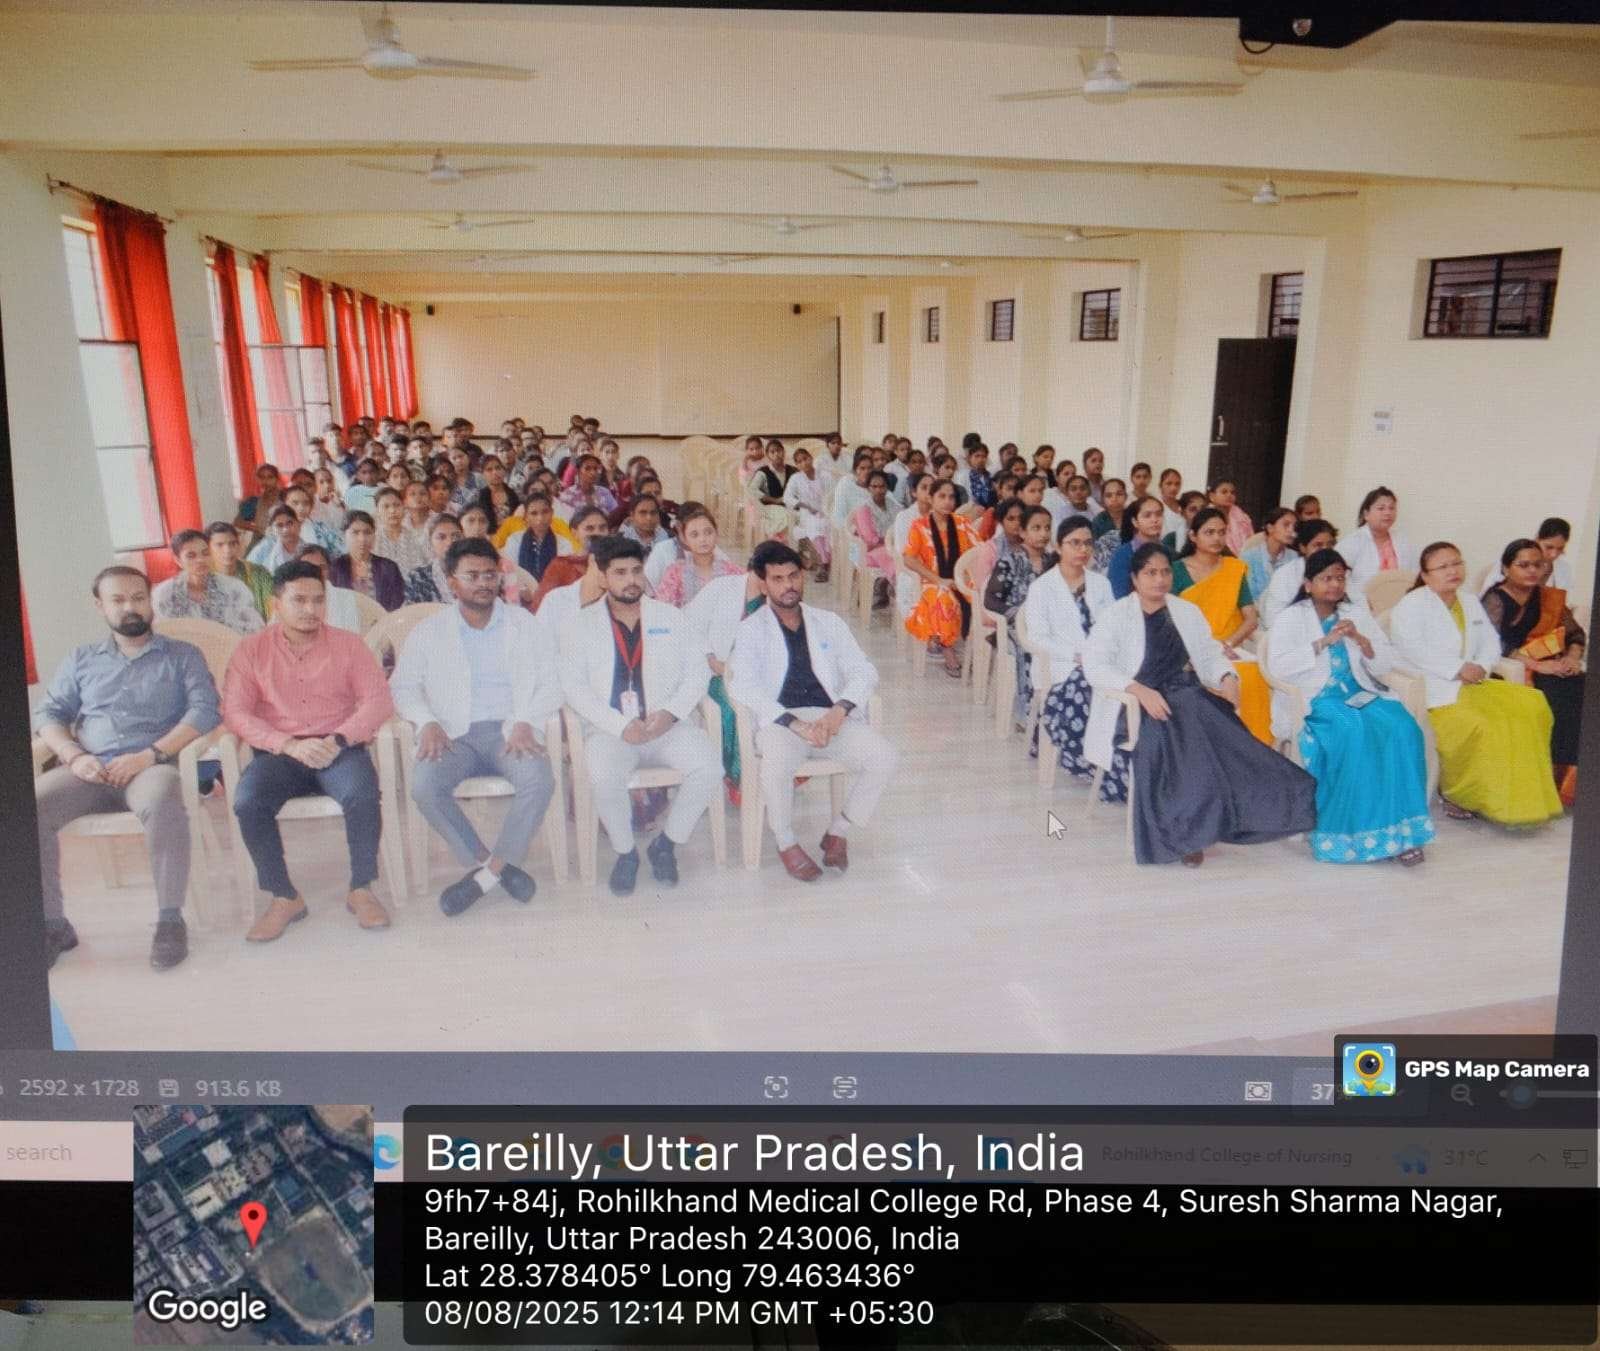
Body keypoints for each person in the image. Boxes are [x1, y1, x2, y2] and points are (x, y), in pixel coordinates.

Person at [1083, 544, 1319, 866]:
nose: (1160, 579)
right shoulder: (1117, 615)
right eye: (1150, 573)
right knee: (1175, 741)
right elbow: (1095, 665)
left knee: (1227, 737)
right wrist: (1139, 690)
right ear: (1135, 579)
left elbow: (1209, 654)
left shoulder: (1185, 611)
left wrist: (1227, 676)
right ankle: (1186, 835)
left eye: (1165, 572)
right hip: (1134, 705)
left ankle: (1237, 815)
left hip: (1185, 693)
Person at [34, 566, 221, 970]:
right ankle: (53, 924)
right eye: (117, 600)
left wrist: (150, 754)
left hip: (151, 766)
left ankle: (170, 920)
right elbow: (49, 713)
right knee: (30, 806)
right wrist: (73, 755)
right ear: (99, 606)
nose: (130, 607)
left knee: (161, 797)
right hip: (90, 769)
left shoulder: (182, 655)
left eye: (138, 598)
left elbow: (205, 710)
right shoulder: (82, 659)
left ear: (150, 600)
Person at [222, 560, 396, 940]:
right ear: (275, 604)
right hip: (280, 752)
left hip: (339, 747)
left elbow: (378, 701)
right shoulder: (251, 651)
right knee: (248, 801)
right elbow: (235, 711)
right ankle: (284, 896)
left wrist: (338, 740)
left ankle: (361, 888)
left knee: (363, 793)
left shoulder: (349, 645)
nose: (310, 609)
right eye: (299, 600)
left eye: (318, 600)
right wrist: (287, 744)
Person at [393, 539, 561, 916]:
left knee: (539, 780)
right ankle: (491, 864)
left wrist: (526, 721)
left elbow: (552, 682)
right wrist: (426, 721)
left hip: (510, 731)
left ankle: (487, 876)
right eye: (472, 576)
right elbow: (403, 687)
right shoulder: (429, 631)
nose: (483, 583)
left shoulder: (525, 624)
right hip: (454, 734)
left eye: (489, 575)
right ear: (452, 581)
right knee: (425, 787)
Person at [558, 536, 722, 896]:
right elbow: (573, 687)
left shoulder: (670, 617)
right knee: (603, 775)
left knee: (710, 768)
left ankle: (666, 843)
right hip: (610, 730)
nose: (631, 580)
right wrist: (619, 725)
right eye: (620, 573)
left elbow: (697, 672)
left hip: (664, 725)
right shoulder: (580, 625)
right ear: (603, 576)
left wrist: (671, 713)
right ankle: (625, 852)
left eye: (636, 571)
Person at [728, 542, 896, 880]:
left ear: (802, 576)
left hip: (829, 717)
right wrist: (795, 724)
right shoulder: (751, 629)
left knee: (885, 757)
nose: (788, 585)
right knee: (775, 765)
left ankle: (839, 831)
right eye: (777, 579)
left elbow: (863, 670)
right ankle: (786, 841)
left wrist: (839, 711)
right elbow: (744, 686)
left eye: (793, 576)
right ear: (763, 584)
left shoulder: (828, 622)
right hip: (782, 722)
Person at [1267, 549, 1434, 865]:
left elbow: (1384, 662)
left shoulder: (1355, 613)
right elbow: (1279, 666)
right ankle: (1351, 836)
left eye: (1339, 578)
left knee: (1403, 729)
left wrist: (1361, 640)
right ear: (1308, 584)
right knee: (1353, 732)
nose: (1334, 585)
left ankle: (1403, 834)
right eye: (1326, 578)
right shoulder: (1292, 617)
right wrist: (1323, 642)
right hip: (1318, 698)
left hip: (1359, 691)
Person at [1389, 541, 1563, 827]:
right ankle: (1462, 795)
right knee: (1480, 724)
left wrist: (1482, 665)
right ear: (1426, 575)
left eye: (1457, 563)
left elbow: (1491, 642)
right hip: (1437, 688)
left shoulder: (1469, 600)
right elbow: (1411, 649)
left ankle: (1522, 800)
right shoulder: (1412, 605)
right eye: (1443, 567)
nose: (1452, 571)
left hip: (1475, 682)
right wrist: (1457, 669)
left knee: (1532, 705)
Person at [1481, 537, 1586, 806]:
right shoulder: (1495, 598)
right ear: (1506, 568)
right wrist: (1538, 665)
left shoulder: (1547, 597)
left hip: (1552, 666)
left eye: (1537, 565)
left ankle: (1567, 782)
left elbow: (1575, 633)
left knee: (1583, 686)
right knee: (1554, 695)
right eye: (1523, 565)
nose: (1532, 571)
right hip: (1511, 671)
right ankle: (1543, 781)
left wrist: (1572, 658)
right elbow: (1492, 644)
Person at [1026, 516, 1121, 794]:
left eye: (1088, 543)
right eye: (1075, 543)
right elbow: (1038, 638)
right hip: (1060, 664)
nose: (1083, 549)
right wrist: (1077, 655)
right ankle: (1086, 758)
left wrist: (1102, 653)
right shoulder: (1042, 587)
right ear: (1058, 547)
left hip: (1100, 660)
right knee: (1087, 682)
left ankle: (1114, 755)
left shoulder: (1100, 584)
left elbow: (1112, 627)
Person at [1171, 507, 1271, 743]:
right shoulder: (1176, 570)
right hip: (1189, 649)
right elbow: (1170, 619)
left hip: (1228, 646)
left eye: (1222, 532)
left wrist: (1228, 643)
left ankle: (1250, 747)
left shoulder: (1234, 569)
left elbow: (1250, 618)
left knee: (1252, 674)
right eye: (1209, 532)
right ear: (1193, 536)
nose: (1217, 538)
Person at [985, 504, 1057, 726]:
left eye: (1047, 528)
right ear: (1023, 532)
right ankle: (1028, 711)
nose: (1043, 533)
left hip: (1050, 625)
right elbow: (991, 599)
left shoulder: (1054, 563)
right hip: (1016, 627)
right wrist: (1020, 615)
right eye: (1036, 528)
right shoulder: (1010, 561)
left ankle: (1055, 708)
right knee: (1030, 648)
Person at [904, 478, 979, 678]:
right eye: (942, 496)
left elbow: (978, 551)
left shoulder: (962, 523)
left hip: (962, 579)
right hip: (933, 581)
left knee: (980, 596)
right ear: (931, 498)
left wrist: (965, 578)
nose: (947, 501)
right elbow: (908, 559)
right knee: (943, 597)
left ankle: (975, 647)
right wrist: (939, 580)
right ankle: (948, 650)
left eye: (951, 497)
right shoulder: (919, 526)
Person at [153, 529, 264, 634]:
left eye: (205, 553)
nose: (200, 560)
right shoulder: (165, 594)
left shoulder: (233, 588)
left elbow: (255, 627)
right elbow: (163, 632)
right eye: (191, 556)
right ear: (178, 560)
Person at [654, 506, 742, 607]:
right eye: (694, 535)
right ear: (685, 539)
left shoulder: (733, 572)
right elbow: (662, 608)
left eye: (708, 532)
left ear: (716, 534)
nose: (702, 539)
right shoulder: (675, 573)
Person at [1261, 518, 1339, 629]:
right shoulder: (1285, 575)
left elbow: (1352, 608)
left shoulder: (1341, 572)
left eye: (1330, 544)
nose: (1326, 550)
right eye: (1318, 545)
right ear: (1303, 547)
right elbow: (1272, 620)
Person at [531, 505, 609, 612]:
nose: (597, 533)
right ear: (574, 533)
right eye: (589, 528)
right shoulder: (561, 565)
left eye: (602, 528)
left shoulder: (616, 563)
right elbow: (540, 605)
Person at [330, 510, 405, 612]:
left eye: (367, 533)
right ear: (344, 536)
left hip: (384, 620)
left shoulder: (389, 568)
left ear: (374, 536)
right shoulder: (335, 567)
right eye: (355, 532)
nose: (362, 539)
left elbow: (397, 605)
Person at [1342, 486, 1416, 589]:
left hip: (1401, 597)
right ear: (1366, 514)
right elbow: (1342, 579)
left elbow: (1413, 573)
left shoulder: (1403, 540)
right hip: (1361, 598)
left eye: (1392, 508)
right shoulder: (1351, 542)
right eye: (1381, 508)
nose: (1388, 513)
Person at [1481, 517, 1577, 594]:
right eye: (1549, 547)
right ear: (1537, 539)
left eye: (1560, 549)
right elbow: (1488, 591)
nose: (1554, 554)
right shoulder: (1515, 556)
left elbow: (1566, 602)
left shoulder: (1564, 569)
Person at [1105, 494, 1170, 598]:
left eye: (1159, 514)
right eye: (1147, 515)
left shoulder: (1168, 552)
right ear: (1135, 522)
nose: (1154, 520)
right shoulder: (1123, 555)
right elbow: (1119, 595)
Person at [782, 446, 832, 581]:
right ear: (797, 465)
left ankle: (827, 561)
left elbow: (832, 495)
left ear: (811, 458)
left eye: (805, 459)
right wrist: (806, 506)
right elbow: (787, 497)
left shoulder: (825, 475)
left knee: (827, 525)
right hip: (807, 513)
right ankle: (824, 563)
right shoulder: (796, 478)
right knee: (815, 525)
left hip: (826, 511)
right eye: (799, 462)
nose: (804, 463)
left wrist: (826, 510)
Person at [207, 520, 274, 620]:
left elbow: (275, 611)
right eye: (220, 545)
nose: (227, 550)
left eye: (232, 544)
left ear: (239, 545)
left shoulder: (259, 574)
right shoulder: (201, 578)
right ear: (208, 549)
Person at [851, 470, 900, 604]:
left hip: (892, 547)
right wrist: (890, 542)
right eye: (874, 486)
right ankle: (892, 585)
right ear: (868, 488)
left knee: (905, 556)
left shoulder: (894, 506)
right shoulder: (863, 508)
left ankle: (886, 583)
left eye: (882, 486)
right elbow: (870, 539)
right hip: (870, 551)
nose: (879, 490)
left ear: (887, 487)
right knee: (894, 557)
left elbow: (901, 528)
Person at [502, 493, 571, 585]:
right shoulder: (515, 540)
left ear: (552, 513)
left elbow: (564, 576)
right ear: (526, 517)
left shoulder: (563, 543)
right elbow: (510, 574)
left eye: (545, 512)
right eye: (534, 513)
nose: (540, 518)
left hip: (554, 592)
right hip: (521, 591)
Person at [294, 545, 363, 633]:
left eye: (322, 567)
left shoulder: (346, 598)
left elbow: (353, 635)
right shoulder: (290, 599)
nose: (316, 572)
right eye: (308, 567)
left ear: (329, 569)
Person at [1241, 506, 1299, 604]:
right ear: (1270, 528)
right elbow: (1249, 597)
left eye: (1295, 527)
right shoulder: (1249, 557)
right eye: (1286, 525)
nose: (1291, 530)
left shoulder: (1294, 557)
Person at [404, 513, 464, 605]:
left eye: (456, 536)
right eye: (441, 537)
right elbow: (411, 612)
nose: (450, 542)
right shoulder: (417, 578)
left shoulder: (476, 574)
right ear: (430, 543)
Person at [371, 486, 432, 576]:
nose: (392, 511)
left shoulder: (416, 538)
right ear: (377, 511)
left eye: (397, 505)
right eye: (386, 506)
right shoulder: (372, 540)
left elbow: (425, 568)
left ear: (404, 508)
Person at [746, 439, 793, 541]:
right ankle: (775, 541)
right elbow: (752, 490)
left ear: (783, 452)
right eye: (772, 452)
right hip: (769, 507)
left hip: (790, 506)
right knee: (785, 515)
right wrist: (774, 500)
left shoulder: (792, 470)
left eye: (779, 451)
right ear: (768, 455)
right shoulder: (763, 472)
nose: (776, 454)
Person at [233, 462, 282, 542]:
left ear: (277, 479)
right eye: (262, 477)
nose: (265, 481)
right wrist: (259, 529)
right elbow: (237, 522)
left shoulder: (286, 497)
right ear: (257, 480)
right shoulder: (253, 502)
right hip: (262, 539)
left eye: (270, 477)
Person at [1208, 477, 1255, 554]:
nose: (1229, 495)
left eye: (1232, 493)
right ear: (1212, 496)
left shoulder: (1243, 518)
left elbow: (1251, 543)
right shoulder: (1205, 517)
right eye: (1224, 492)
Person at [1090, 478, 1128, 542]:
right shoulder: (1098, 522)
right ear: (1102, 499)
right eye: (1109, 495)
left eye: (1119, 494)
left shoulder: (1134, 517)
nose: (1114, 499)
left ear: (1126, 496)